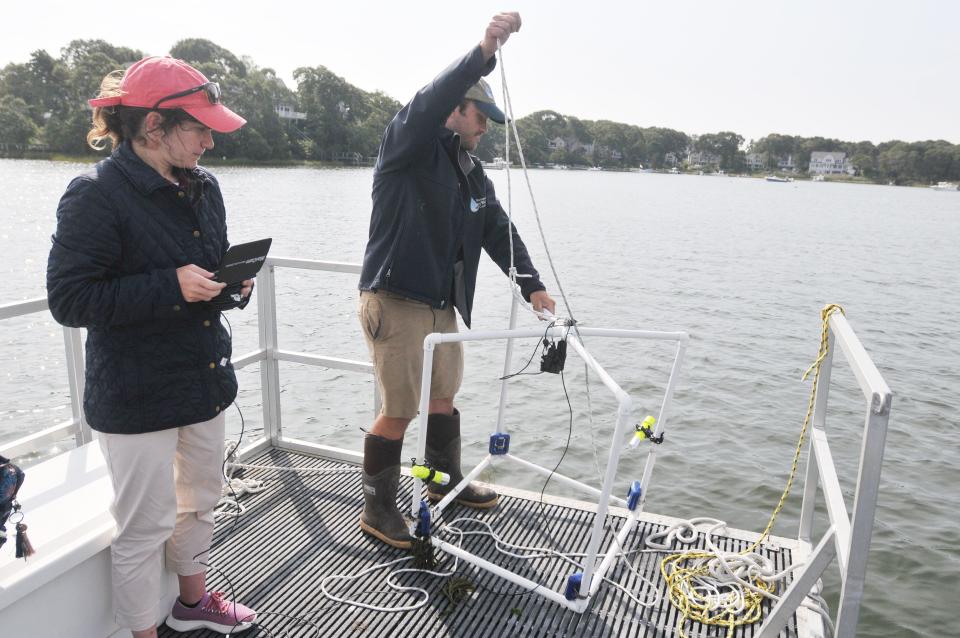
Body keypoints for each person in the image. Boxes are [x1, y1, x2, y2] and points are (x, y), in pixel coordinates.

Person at [46, 56, 257, 637]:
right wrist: (171, 286)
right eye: (200, 128)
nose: (211, 141)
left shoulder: (204, 187)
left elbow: (201, 274)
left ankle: (192, 603)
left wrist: (228, 284)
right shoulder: (94, 195)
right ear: (153, 128)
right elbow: (69, 300)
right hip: (134, 392)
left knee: (201, 501)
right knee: (144, 526)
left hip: (202, 378)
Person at [357, 12, 556, 549]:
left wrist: (531, 283)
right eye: (480, 113)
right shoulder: (407, 147)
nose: (487, 124)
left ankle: (445, 486)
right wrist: (483, 50)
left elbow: (497, 229)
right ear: (454, 110)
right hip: (395, 300)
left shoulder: (472, 171)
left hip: (441, 305)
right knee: (399, 409)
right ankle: (378, 510)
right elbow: (426, 104)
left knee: (443, 398)